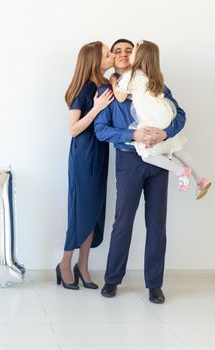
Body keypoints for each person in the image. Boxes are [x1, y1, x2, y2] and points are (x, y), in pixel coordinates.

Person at [94, 38, 186, 304]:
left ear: (135, 56)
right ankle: (112, 280)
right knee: (123, 222)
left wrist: (165, 132)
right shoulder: (108, 91)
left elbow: (179, 114)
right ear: (113, 57)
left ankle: (154, 284)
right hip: (129, 161)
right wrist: (132, 133)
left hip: (159, 160)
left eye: (128, 50)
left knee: (157, 224)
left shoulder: (156, 84)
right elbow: (101, 130)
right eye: (118, 51)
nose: (123, 54)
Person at [110, 40, 211, 199]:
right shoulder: (155, 77)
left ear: (139, 56)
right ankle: (201, 180)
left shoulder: (131, 75)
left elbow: (120, 97)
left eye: (133, 51)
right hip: (166, 114)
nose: (129, 54)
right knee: (176, 148)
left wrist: (113, 81)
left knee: (146, 154)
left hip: (153, 119)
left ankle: (180, 171)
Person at [56, 41, 114, 290]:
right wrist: (98, 108)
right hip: (84, 153)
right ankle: (65, 264)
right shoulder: (84, 88)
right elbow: (73, 129)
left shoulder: (106, 85)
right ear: (94, 59)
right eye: (108, 53)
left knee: (95, 212)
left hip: (100, 152)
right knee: (81, 210)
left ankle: (83, 266)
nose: (112, 56)